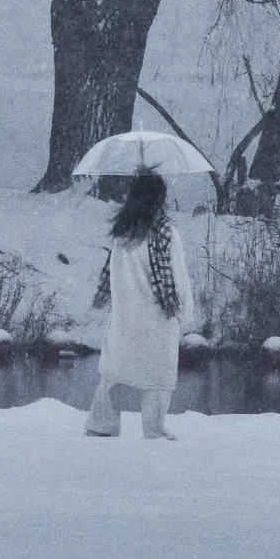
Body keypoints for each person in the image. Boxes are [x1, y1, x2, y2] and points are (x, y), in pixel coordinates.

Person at [85, 171, 193, 440]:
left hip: (126, 313)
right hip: (157, 314)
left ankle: (102, 423)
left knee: (114, 371)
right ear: (160, 198)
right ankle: (154, 429)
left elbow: (113, 273)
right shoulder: (165, 231)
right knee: (158, 375)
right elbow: (177, 274)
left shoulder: (123, 230)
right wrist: (185, 311)